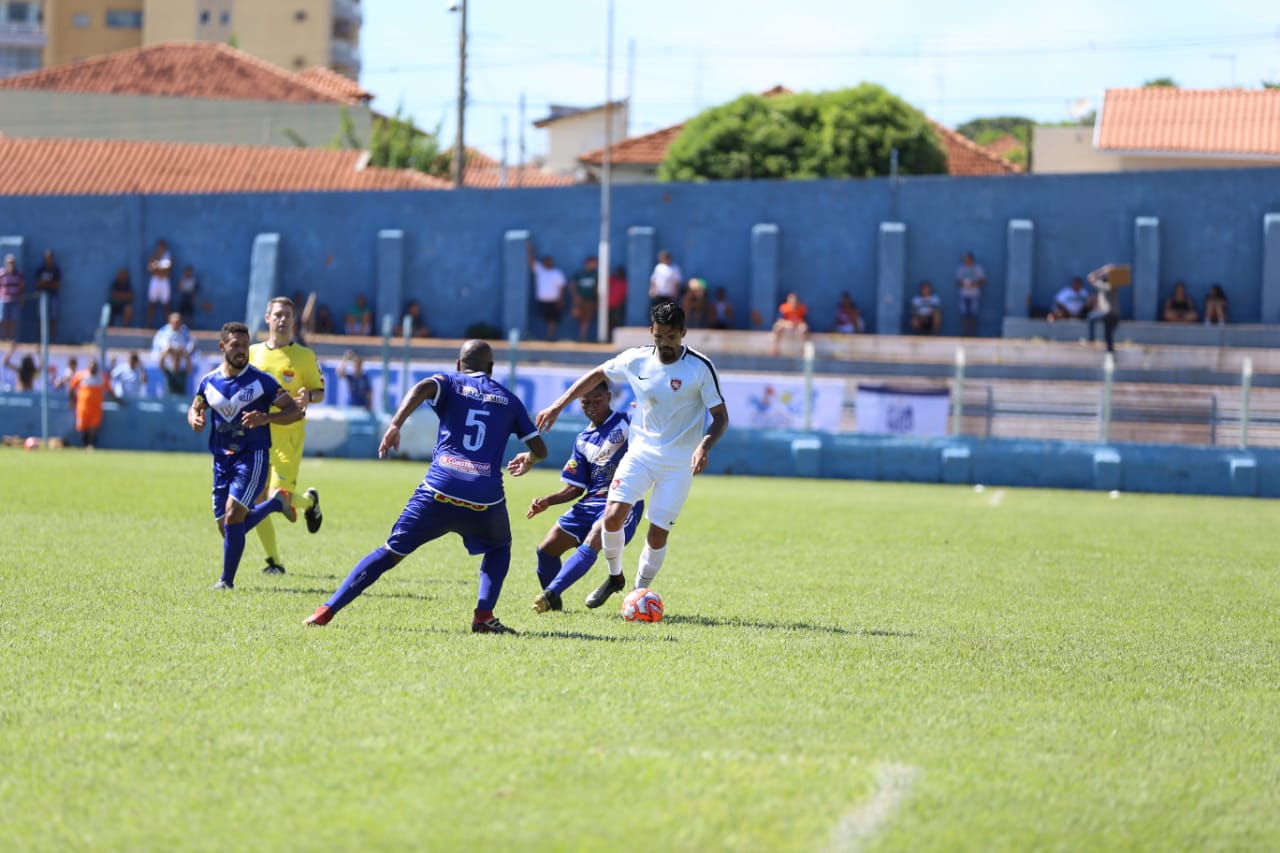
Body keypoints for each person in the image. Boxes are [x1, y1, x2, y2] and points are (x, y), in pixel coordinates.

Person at [303, 339, 549, 634]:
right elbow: (540, 448)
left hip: (440, 488)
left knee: (390, 552)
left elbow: (423, 387)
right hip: (483, 498)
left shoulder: (451, 382)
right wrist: (530, 459)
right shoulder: (509, 399)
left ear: (459, 365)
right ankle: (483, 616)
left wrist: (395, 424)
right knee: (499, 547)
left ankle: (327, 609)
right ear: (492, 368)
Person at [535, 301, 729, 610]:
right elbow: (599, 372)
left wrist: (703, 447)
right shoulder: (637, 360)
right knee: (612, 516)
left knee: (657, 535)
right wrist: (559, 405)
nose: (664, 344)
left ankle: (637, 593)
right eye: (659, 337)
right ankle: (615, 577)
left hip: (678, 464)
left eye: (671, 337)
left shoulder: (699, 367)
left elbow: (720, 416)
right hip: (640, 454)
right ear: (651, 331)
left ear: (683, 333)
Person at [188, 321, 303, 590]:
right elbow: (196, 407)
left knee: (233, 516)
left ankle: (226, 582)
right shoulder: (209, 382)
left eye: (245, 345)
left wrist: (266, 417)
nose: (242, 351)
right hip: (221, 459)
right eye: (235, 345)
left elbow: (294, 411)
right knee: (226, 527)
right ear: (222, 347)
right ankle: (276, 504)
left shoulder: (262, 381)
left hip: (253, 456)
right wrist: (194, 417)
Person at [516, 381, 645, 613]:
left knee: (596, 537)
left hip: (623, 501)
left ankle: (550, 594)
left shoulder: (629, 422)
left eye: (598, 401)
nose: (592, 407)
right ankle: (555, 606)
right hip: (590, 502)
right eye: (586, 402)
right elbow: (575, 488)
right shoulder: (583, 439)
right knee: (546, 550)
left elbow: (655, 430)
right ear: (579, 403)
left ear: (608, 397)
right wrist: (547, 501)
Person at [249, 296, 328, 575]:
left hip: (288, 435)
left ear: (293, 321)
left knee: (276, 496)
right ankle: (274, 562)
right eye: (278, 314)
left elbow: (320, 391)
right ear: (267, 318)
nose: (282, 319)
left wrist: (310, 396)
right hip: (256, 436)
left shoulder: (304, 357)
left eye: (287, 315)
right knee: (256, 500)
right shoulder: (253, 354)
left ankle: (308, 503)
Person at [69, 357, 123, 448]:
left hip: (96, 407)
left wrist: (118, 400)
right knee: (82, 427)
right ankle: (85, 444)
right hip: (82, 407)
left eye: (94, 366)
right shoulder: (80, 375)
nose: (93, 368)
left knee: (93, 427)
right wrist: (72, 400)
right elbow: (71, 388)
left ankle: (91, 444)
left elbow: (110, 390)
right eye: (91, 366)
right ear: (88, 367)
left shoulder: (101, 377)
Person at [528, 242, 566, 341]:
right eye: (546, 261)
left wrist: (561, 300)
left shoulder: (556, 273)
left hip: (554, 301)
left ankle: (550, 336)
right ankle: (547, 336)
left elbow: (562, 287)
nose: (548, 263)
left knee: (553, 320)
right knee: (545, 318)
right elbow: (532, 262)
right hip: (542, 300)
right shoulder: (540, 270)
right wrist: (530, 250)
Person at [1084, 264, 1122, 353]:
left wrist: (1101, 271)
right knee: (1108, 334)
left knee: (1091, 317)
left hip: (1108, 313)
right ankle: (1110, 351)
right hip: (1114, 315)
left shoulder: (1108, 286)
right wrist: (1104, 270)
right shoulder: (1111, 286)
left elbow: (1091, 278)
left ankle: (1091, 338)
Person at [954, 251, 986, 337]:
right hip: (964, 295)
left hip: (974, 295)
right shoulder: (961, 269)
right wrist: (964, 283)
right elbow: (957, 281)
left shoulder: (978, 269)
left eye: (968, 259)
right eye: (965, 260)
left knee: (973, 314)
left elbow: (983, 281)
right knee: (964, 314)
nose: (966, 261)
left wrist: (973, 283)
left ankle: (973, 334)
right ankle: (965, 333)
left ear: (972, 260)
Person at [570, 255, 599, 341]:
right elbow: (573, 285)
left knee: (587, 318)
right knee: (578, 316)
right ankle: (580, 336)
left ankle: (583, 336)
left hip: (590, 300)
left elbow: (598, 288)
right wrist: (575, 296)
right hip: (580, 300)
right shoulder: (580, 273)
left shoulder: (596, 274)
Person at [34, 249, 62, 341]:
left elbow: (57, 284)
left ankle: (52, 339)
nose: (48, 259)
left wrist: (45, 283)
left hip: (53, 296)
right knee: (41, 318)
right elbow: (37, 283)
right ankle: (40, 339)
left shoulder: (55, 270)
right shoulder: (41, 269)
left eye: (50, 257)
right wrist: (48, 283)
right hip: (41, 297)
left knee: (53, 318)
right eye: (47, 257)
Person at [145, 239, 173, 327]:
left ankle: (170, 325)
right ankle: (148, 324)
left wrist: (157, 267)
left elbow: (167, 270)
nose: (161, 248)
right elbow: (150, 268)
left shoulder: (168, 256)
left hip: (164, 281)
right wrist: (158, 268)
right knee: (152, 303)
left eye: (163, 246)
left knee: (166, 304)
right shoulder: (154, 256)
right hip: (155, 281)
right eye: (160, 246)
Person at [0, 253, 24, 342]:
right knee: (3, 320)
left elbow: (22, 287)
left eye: (12, 262)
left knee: (13, 320)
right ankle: (3, 338)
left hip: (14, 299)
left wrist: (21, 299)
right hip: (3, 300)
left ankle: (11, 339)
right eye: (9, 262)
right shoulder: (2, 273)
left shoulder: (18, 274)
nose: (10, 264)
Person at [607, 265, 628, 336]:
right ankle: (608, 337)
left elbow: (624, 295)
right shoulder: (611, 280)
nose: (618, 274)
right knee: (607, 323)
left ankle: (614, 337)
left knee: (616, 322)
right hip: (608, 305)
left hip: (617, 306)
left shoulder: (623, 282)